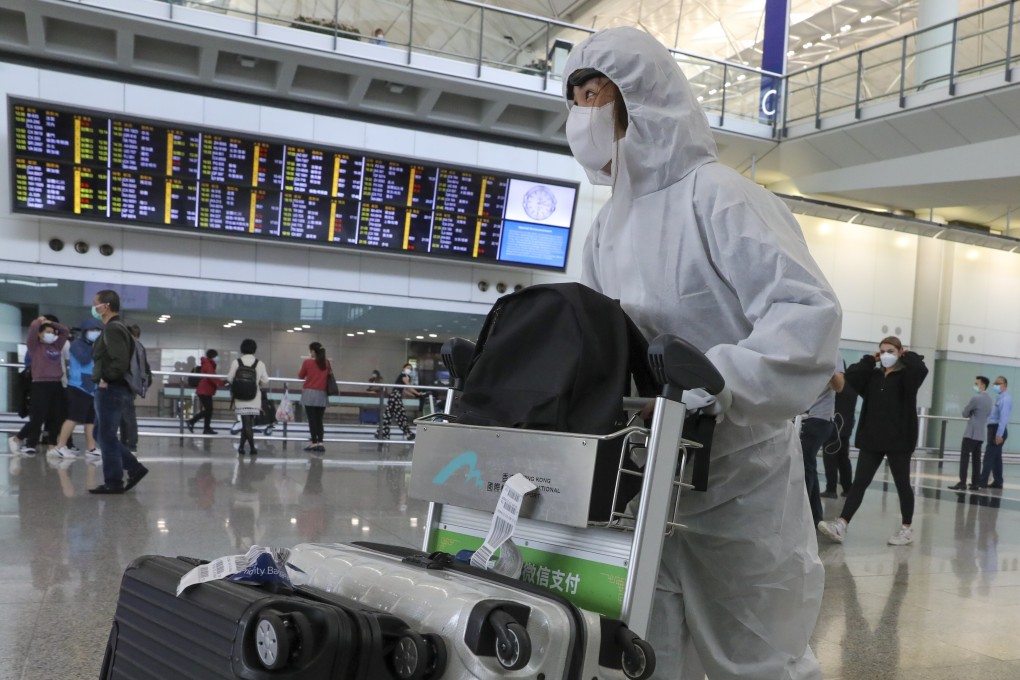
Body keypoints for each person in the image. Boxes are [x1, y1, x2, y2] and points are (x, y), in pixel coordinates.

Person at [563, 28, 842, 680]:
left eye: (592, 91)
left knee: (758, 659)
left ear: (640, 96)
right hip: (649, 486)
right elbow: (601, 340)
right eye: (573, 96)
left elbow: (806, 314)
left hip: (741, 483)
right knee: (647, 652)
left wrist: (720, 383)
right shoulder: (607, 228)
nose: (581, 112)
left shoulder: (720, 196)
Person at [818, 336, 928, 546]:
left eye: (891, 351)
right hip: (872, 438)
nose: (886, 355)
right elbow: (851, 376)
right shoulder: (873, 377)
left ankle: (906, 528)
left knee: (902, 483)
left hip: (900, 440)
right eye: (882, 351)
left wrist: (908, 356)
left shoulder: (908, 377)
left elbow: (921, 369)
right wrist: (870, 359)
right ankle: (842, 523)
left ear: (900, 352)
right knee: (860, 483)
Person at [89, 289, 149, 494]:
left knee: (105, 435)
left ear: (106, 306)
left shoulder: (113, 329)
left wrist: (106, 378)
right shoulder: (117, 328)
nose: (93, 307)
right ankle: (128, 471)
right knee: (100, 433)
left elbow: (120, 361)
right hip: (115, 389)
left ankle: (119, 478)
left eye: (96, 303)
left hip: (112, 389)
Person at [9, 316, 71, 456]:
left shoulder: (56, 346)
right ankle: (18, 438)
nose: (51, 335)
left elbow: (65, 331)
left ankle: (52, 445)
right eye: (47, 332)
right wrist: (40, 321)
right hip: (40, 384)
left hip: (56, 384)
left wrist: (52, 323)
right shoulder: (34, 346)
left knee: (57, 416)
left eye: (52, 332)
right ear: (40, 333)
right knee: (38, 417)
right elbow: (32, 329)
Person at [800, 358, 845, 526]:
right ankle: (815, 515)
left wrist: (827, 365)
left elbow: (839, 385)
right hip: (802, 417)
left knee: (805, 462)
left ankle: (801, 514)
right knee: (808, 464)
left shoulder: (833, 353)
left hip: (819, 419)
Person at [53, 318, 104, 458]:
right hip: (78, 387)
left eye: (98, 330)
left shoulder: (96, 346)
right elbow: (84, 359)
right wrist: (96, 347)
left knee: (90, 420)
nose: (96, 333)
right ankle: (60, 445)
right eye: (93, 330)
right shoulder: (76, 345)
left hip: (92, 388)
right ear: (85, 331)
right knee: (73, 418)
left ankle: (91, 448)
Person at [227, 338, 270, 456]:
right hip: (254, 397)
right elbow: (265, 380)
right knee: (248, 423)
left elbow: (229, 378)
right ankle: (247, 447)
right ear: (254, 349)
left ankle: (247, 447)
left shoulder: (237, 362)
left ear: (242, 348)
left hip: (240, 397)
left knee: (246, 424)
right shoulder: (260, 363)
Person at [949, 376, 993, 490]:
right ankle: (975, 482)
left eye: (976, 383)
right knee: (976, 459)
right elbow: (988, 414)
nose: (975, 385)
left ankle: (962, 482)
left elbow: (965, 413)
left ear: (983, 385)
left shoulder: (976, 398)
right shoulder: (989, 399)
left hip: (971, 433)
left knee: (965, 457)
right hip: (980, 434)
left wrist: (970, 412)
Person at [821, 361, 857, 498]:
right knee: (843, 457)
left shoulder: (836, 384)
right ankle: (848, 488)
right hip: (846, 425)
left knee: (829, 455)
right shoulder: (852, 384)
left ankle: (831, 489)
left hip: (834, 423)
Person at [119, 324, 150, 454]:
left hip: (126, 382)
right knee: (125, 415)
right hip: (131, 383)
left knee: (127, 415)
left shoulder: (131, 346)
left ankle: (130, 444)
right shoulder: (139, 346)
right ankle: (126, 443)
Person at [978, 376, 1012, 489]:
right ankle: (998, 481)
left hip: (997, 430)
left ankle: (982, 482)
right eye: (995, 383)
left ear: (1005, 385)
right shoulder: (999, 397)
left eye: (999, 383)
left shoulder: (1005, 399)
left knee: (989, 456)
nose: (997, 385)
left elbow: (1004, 418)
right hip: (993, 428)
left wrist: (999, 434)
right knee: (996, 457)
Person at [298, 342, 332, 452]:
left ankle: (313, 442)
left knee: (312, 420)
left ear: (313, 351)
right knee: (319, 420)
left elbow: (300, 376)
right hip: (322, 394)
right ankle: (320, 442)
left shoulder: (307, 362)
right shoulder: (326, 363)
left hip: (309, 394)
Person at [378, 363, 419, 441]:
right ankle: (408, 433)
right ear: (403, 368)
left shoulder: (407, 377)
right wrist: (417, 393)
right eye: (407, 368)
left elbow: (404, 390)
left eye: (410, 369)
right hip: (395, 397)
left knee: (389, 415)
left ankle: (381, 433)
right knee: (399, 415)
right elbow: (408, 386)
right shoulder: (403, 376)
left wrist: (413, 395)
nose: (409, 370)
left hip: (396, 397)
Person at [187, 349, 223, 434]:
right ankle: (191, 422)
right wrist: (222, 383)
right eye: (216, 356)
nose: (218, 358)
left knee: (209, 410)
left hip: (206, 390)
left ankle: (206, 428)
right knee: (208, 410)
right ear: (213, 357)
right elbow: (211, 377)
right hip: (204, 391)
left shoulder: (210, 364)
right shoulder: (208, 365)